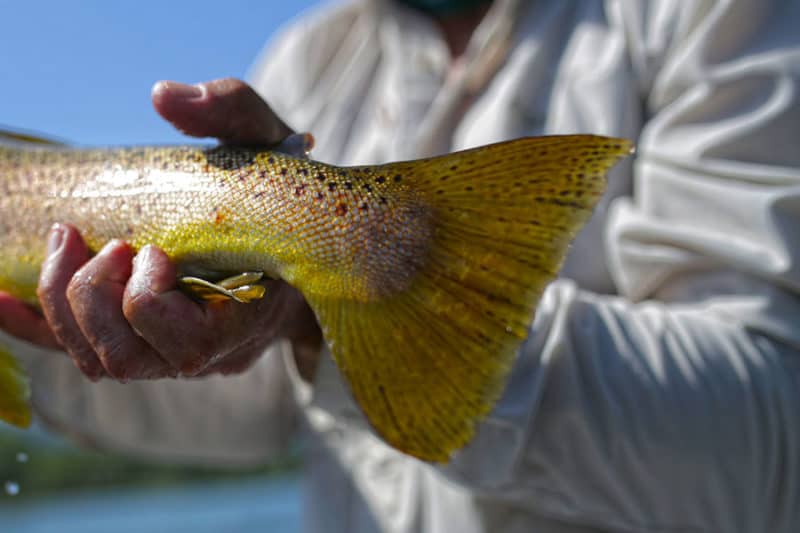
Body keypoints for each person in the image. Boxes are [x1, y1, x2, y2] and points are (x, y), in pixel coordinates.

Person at [1, 0, 799, 531]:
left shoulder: (713, 15)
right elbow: (256, 409)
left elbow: (769, 442)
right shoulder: (315, 52)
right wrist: (51, 341)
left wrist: (319, 310)